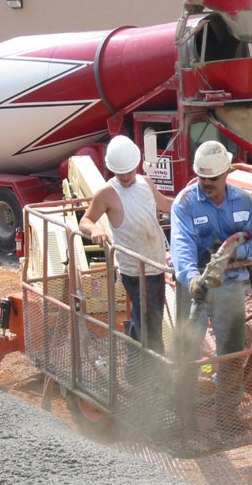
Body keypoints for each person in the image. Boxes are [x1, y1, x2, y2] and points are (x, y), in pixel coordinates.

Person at [170, 140, 252, 435]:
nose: (206, 183)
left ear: (227, 172)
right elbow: (182, 247)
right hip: (195, 290)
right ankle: (184, 422)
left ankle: (226, 419)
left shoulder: (244, 202)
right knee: (186, 355)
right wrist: (192, 280)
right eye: (201, 177)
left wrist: (232, 254)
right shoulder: (185, 203)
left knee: (231, 353)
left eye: (212, 178)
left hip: (229, 290)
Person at [79, 135, 173, 355]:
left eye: (130, 172)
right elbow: (86, 220)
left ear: (136, 165)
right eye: (121, 174)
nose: (127, 177)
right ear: (113, 170)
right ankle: (153, 374)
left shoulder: (145, 183)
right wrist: (95, 230)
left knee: (150, 319)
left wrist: (189, 202)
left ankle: (136, 368)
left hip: (156, 264)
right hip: (135, 270)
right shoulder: (107, 193)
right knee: (150, 326)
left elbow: (166, 204)